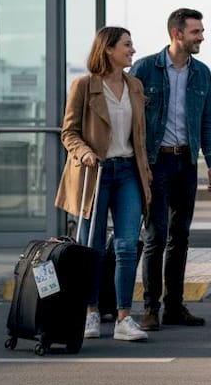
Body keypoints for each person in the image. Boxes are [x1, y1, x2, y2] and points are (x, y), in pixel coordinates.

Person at [56, 26, 152, 343]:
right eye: (127, 45)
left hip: (128, 173)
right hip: (94, 173)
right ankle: (90, 313)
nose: (132, 50)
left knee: (126, 247)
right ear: (108, 49)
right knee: (92, 248)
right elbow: (68, 133)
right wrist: (84, 153)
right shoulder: (83, 86)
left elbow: (139, 135)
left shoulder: (134, 86)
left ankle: (124, 318)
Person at [131, 7, 211, 330]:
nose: (201, 37)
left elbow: (208, 119)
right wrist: (139, 164)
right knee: (156, 235)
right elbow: (133, 122)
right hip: (157, 162)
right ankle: (150, 308)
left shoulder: (203, 73)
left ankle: (173, 306)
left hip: (186, 162)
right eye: (196, 32)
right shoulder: (144, 69)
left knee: (180, 236)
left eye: (201, 31)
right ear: (177, 34)